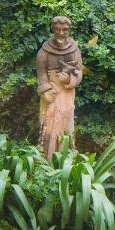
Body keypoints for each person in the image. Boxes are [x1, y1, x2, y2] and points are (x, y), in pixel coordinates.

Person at [36, 16, 83, 158]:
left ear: (69, 30)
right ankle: (47, 157)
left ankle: (66, 155)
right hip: (52, 90)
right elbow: (41, 73)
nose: (61, 33)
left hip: (67, 92)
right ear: (53, 30)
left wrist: (69, 79)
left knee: (65, 119)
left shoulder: (74, 49)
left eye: (65, 30)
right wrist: (45, 90)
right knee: (49, 121)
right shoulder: (45, 51)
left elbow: (79, 70)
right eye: (57, 30)